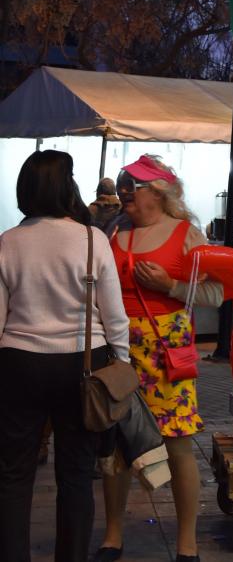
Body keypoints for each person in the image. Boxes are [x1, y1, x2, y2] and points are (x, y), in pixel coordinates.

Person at [0, 150, 130, 562]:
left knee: (13, 475)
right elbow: (115, 316)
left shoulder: (8, 242)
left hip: (19, 363)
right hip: (83, 364)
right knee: (75, 475)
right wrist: (122, 364)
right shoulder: (92, 239)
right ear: (68, 187)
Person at [95, 154, 223, 562]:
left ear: (158, 191)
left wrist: (170, 285)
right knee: (116, 446)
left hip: (166, 354)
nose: (125, 194)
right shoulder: (116, 233)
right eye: (124, 186)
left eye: (134, 186)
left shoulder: (188, 235)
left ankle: (188, 542)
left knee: (178, 445)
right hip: (120, 351)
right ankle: (112, 536)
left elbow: (217, 294)